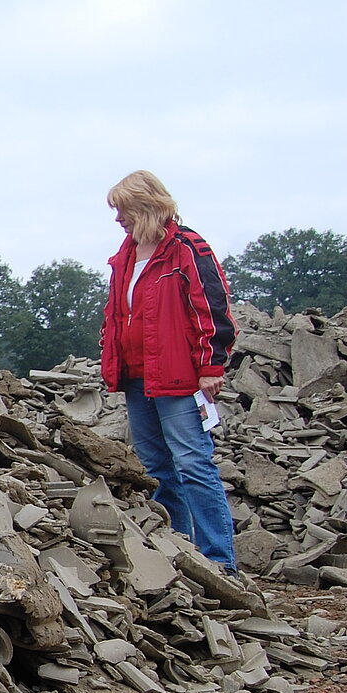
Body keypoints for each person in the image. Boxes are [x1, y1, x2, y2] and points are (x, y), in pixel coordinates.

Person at [99, 170, 239, 571]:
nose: (118, 219)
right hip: (137, 376)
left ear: (145, 206)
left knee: (193, 463)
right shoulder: (126, 254)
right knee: (158, 469)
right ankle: (180, 551)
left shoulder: (186, 248)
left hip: (178, 377)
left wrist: (211, 365)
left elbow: (212, 307)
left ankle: (219, 561)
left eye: (122, 210)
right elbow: (119, 313)